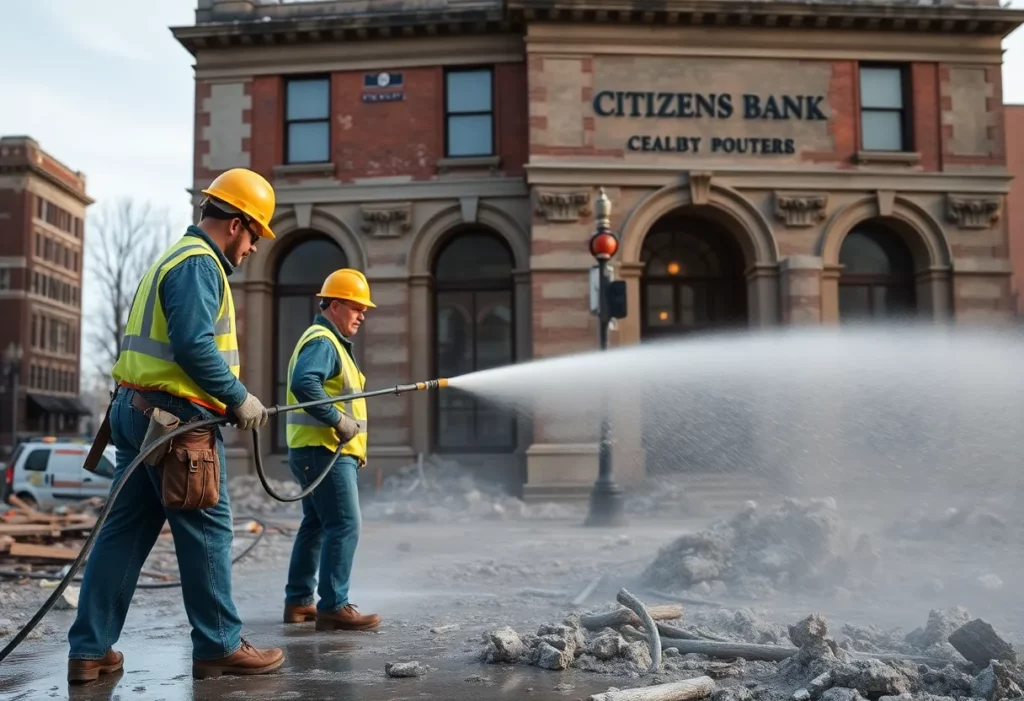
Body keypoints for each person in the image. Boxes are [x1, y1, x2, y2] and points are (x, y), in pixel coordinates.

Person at [67, 168, 285, 682]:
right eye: (255, 234)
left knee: (122, 534)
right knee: (207, 530)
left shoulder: (172, 258)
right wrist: (237, 398)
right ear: (235, 224)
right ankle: (219, 645)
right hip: (175, 423)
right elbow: (193, 346)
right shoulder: (199, 265)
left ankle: (90, 650)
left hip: (137, 412)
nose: (254, 247)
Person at [281, 269, 381, 632]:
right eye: (356, 307)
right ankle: (333, 606)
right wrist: (337, 420)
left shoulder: (326, 340)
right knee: (345, 524)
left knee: (316, 525)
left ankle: (299, 601)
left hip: (316, 451)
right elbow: (305, 383)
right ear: (335, 305)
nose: (362, 315)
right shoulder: (324, 340)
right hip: (325, 450)